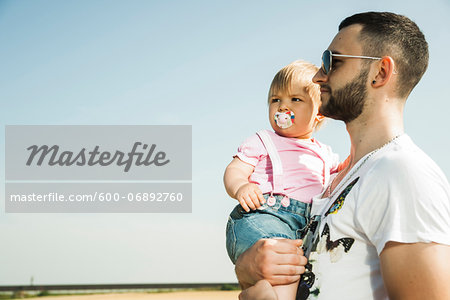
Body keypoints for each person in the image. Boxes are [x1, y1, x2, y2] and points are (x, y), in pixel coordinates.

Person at [236, 11, 450, 300]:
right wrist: (246, 268)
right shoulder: (338, 179)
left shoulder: (401, 172)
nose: (317, 75)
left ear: (380, 73)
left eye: (331, 61)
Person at [224, 60, 343, 299]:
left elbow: (338, 179)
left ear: (319, 112)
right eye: (275, 100)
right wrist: (241, 186)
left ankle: (258, 294)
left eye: (295, 100)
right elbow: (234, 169)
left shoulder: (326, 154)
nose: (282, 107)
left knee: (290, 274)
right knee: (284, 266)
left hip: (300, 229)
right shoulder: (263, 140)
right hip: (261, 217)